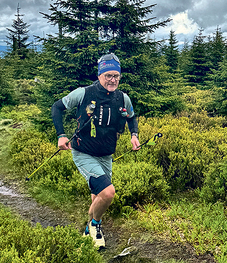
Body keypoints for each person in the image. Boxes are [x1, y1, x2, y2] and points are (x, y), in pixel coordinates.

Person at [51, 53, 140, 248]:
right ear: (100, 75)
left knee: (97, 196)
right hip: (83, 152)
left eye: (116, 76)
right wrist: (61, 135)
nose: (112, 80)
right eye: (108, 75)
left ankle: (87, 232)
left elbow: (132, 117)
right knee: (108, 193)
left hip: (106, 155)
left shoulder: (123, 98)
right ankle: (95, 225)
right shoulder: (83, 93)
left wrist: (134, 135)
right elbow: (57, 107)